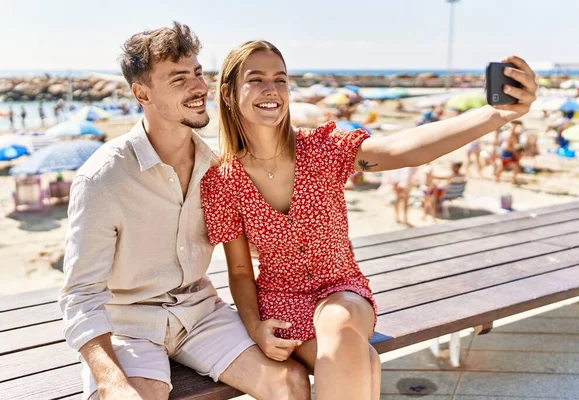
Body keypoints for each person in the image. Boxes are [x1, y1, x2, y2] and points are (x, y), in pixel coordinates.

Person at [200, 39, 536, 400]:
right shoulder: (222, 181)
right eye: (257, 79)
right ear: (228, 92)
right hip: (278, 303)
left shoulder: (323, 149)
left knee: (340, 325)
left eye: (280, 79)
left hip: (342, 293)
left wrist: (495, 115)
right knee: (365, 363)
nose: (272, 89)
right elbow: (238, 271)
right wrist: (255, 328)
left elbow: (403, 148)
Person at [58, 23, 309, 400]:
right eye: (179, 79)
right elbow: (80, 296)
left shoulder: (218, 167)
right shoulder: (102, 179)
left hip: (200, 311)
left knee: (290, 382)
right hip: (128, 323)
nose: (198, 88)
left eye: (197, 74)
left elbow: (251, 249)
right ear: (142, 93)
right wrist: (111, 380)